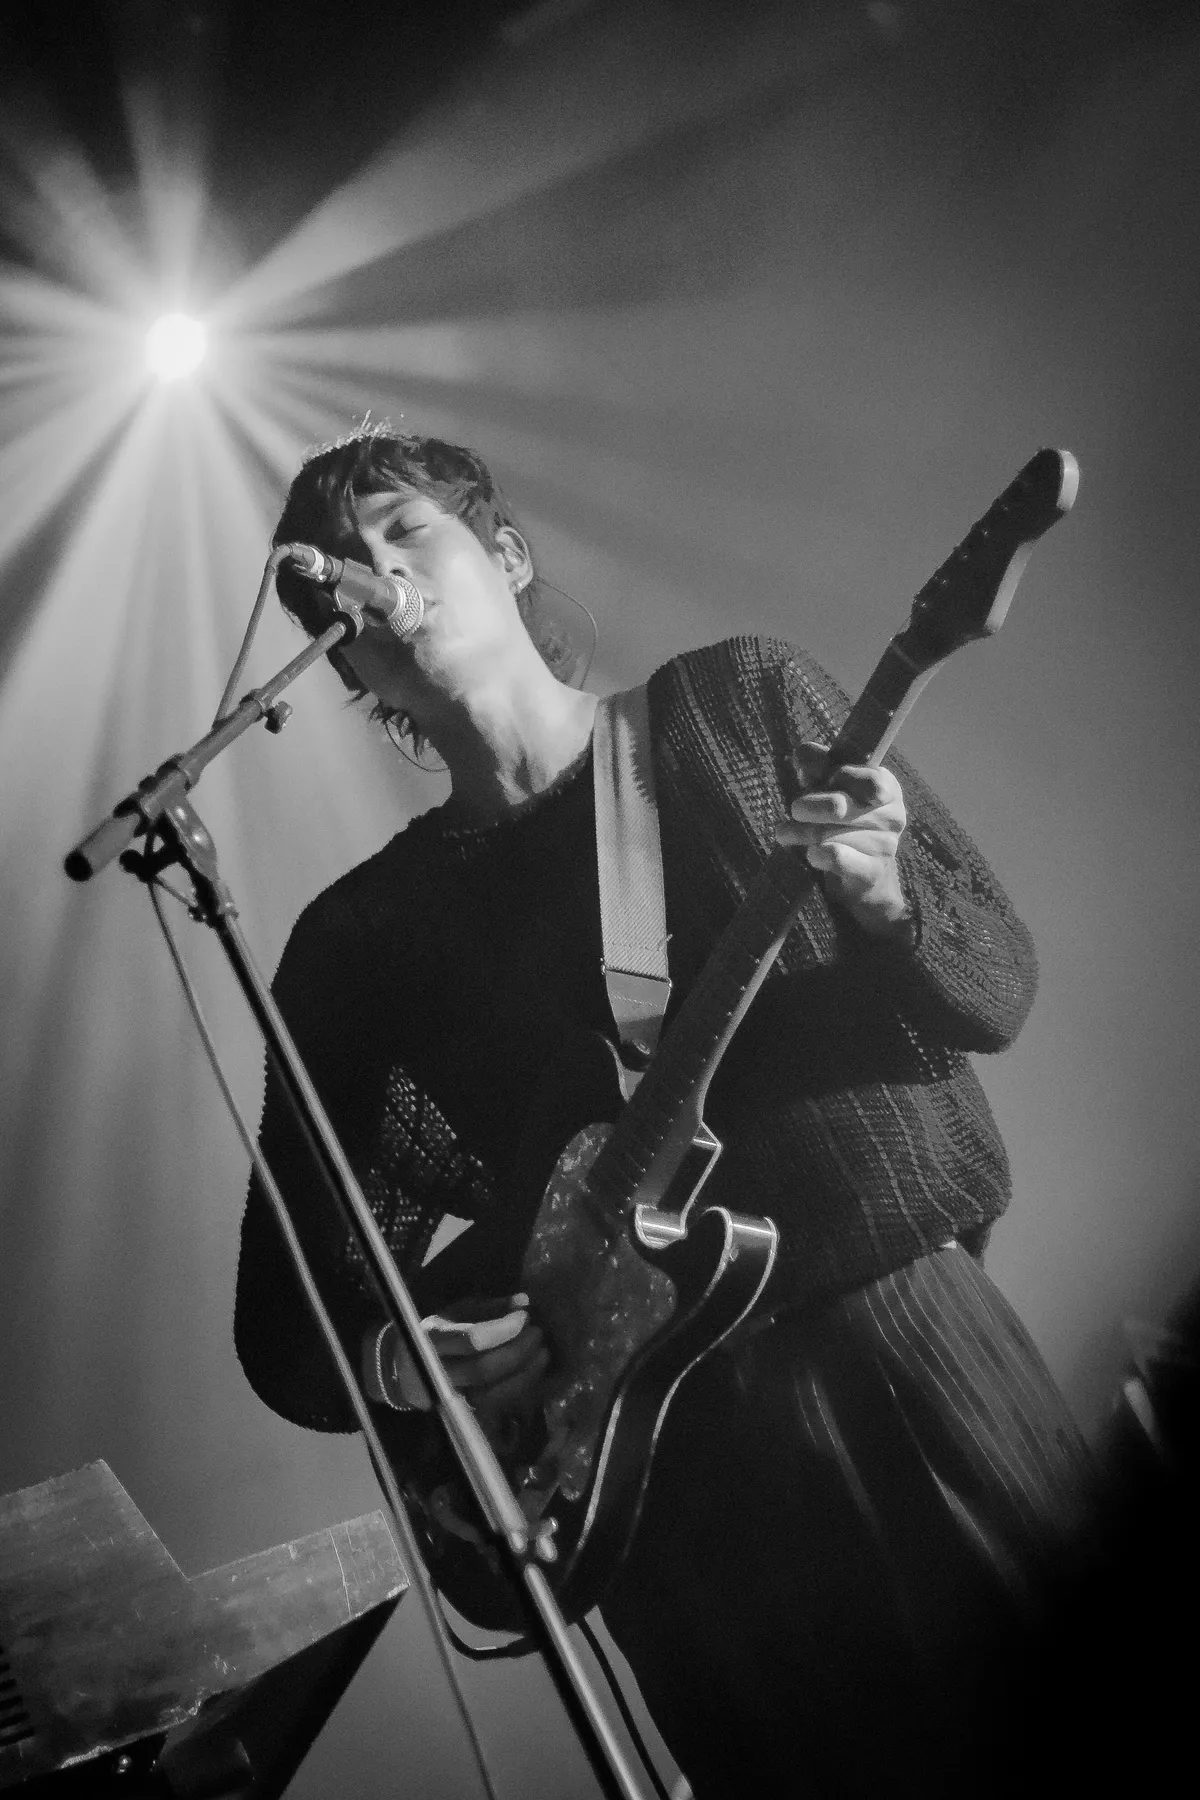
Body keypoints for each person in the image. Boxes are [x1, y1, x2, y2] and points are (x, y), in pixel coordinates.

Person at [234, 426, 1096, 1798]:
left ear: (507, 554)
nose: (373, 574)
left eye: (405, 533)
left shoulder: (732, 703)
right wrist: (413, 1360)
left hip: (894, 1349)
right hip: (658, 1481)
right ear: (339, 659)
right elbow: (291, 1324)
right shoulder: (358, 946)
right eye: (336, 570)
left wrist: (888, 901)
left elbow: (997, 983)